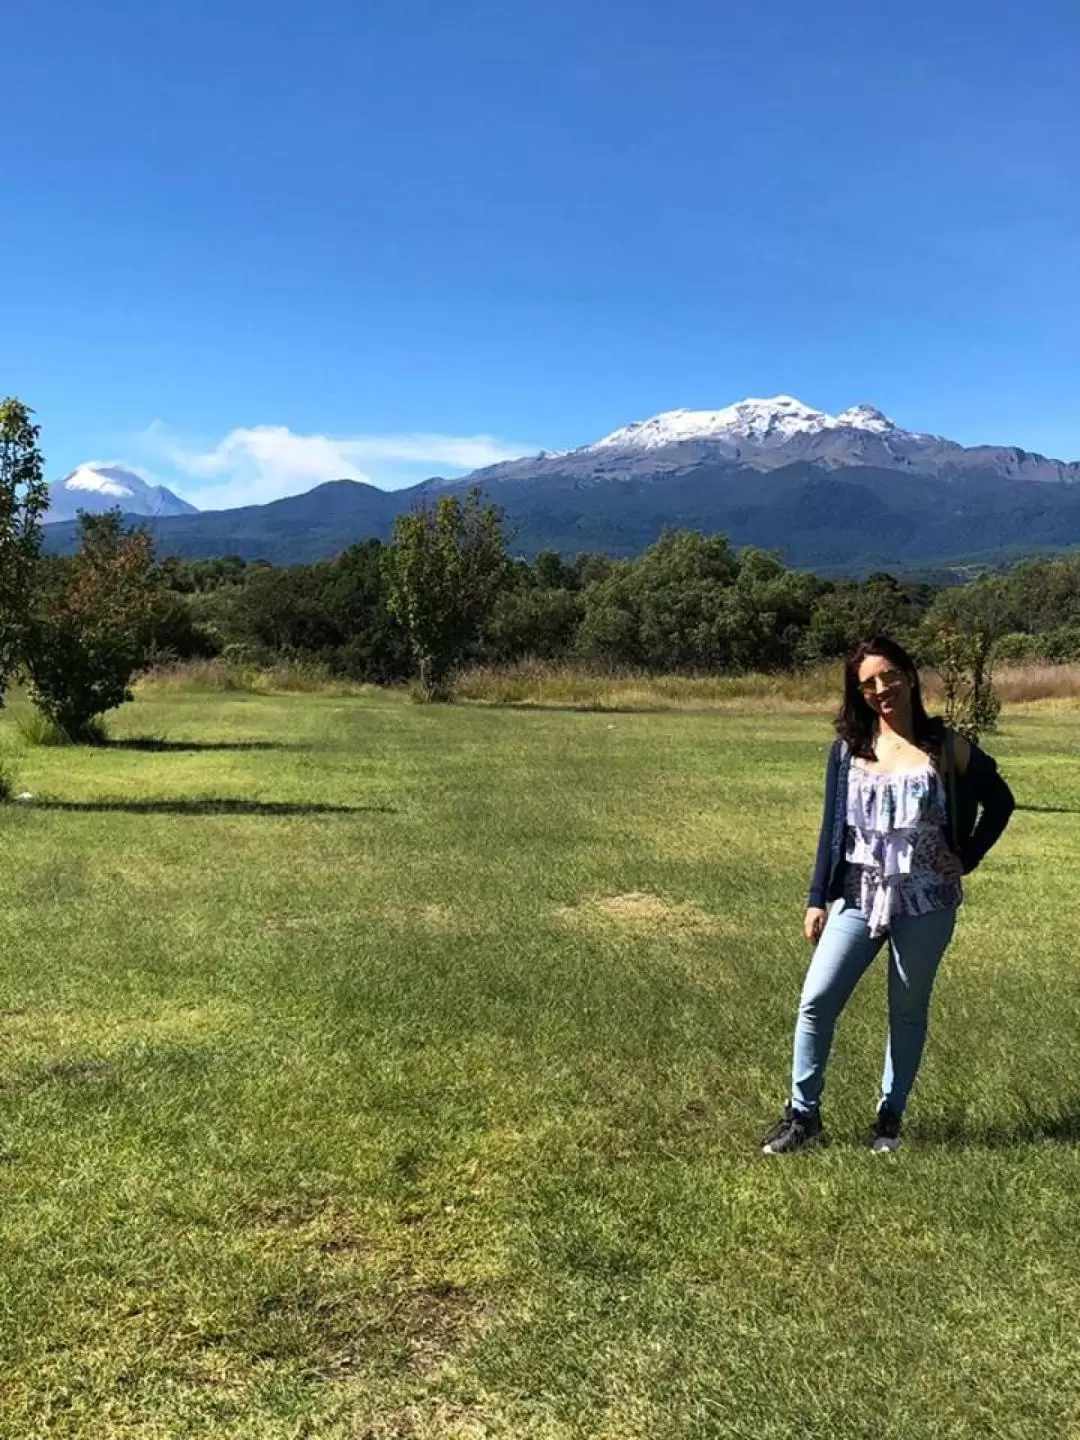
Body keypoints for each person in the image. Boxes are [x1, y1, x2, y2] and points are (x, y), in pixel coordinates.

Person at [762, 636, 1015, 1155]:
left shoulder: (944, 746)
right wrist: (817, 898)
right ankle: (803, 1119)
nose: (882, 690)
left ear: (909, 674)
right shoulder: (848, 749)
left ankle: (889, 1119)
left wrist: (965, 857)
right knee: (816, 1001)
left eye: (889, 676)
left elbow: (1001, 800)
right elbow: (833, 828)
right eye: (869, 684)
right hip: (858, 895)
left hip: (926, 899)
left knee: (905, 1009)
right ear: (859, 693)